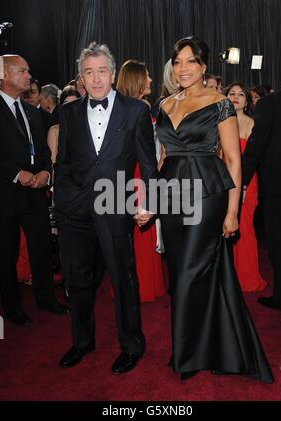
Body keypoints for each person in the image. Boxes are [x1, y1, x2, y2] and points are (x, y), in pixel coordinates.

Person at [156, 36, 274, 383]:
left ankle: (187, 353)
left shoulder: (219, 102)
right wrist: (153, 201)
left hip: (207, 194)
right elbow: (163, 157)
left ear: (204, 66)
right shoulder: (163, 104)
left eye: (190, 61)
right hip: (171, 195)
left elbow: (233, 161)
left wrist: (232, 212)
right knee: (180, 273)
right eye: (177, 62)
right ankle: (198, 344)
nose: (182, 69)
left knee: (190, 272)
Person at [54, 42, 158, 371]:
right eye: (89, 72)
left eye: (102, 71)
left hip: (115, 203)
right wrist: (64, 201)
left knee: (122, 277)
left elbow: (148, 164)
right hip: (75, 210)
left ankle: (132, 345)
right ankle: (82, 342)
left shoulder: (136, 110)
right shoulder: (68, 112)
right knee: (77, 281)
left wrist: (150, 201)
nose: (96, 78)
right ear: (81, 78)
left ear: (112, 74)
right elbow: (65, 162)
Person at [0, 54, 70, 326]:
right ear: (4, 74)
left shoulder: (32, 111)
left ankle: (45, 298)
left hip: (36, 193)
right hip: (5, 194)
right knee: (6, 252)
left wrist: (45, 172)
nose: (29, 76)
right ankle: (13, 307)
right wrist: (18, 174)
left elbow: (41, 150)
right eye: (23, 71)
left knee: (41, 248)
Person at [242, 52, 281, 313]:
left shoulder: (270, 103)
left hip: (277, 186)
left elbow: (255, 146)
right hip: (278, 186)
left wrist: (240, 180)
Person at [116, 59, 165, 302]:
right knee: (142, 234)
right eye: (146, 75)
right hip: (141, 176)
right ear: (136, 79)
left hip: (128, 176)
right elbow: (147, 151)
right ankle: (145, 288)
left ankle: (138, 287)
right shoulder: (140, 108)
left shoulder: (124, 107)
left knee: (133, 236)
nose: (151, 80)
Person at [225, 82, 266, 292]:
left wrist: (242, 187)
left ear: (246, 101)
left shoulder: (252, 123)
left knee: (245, 228)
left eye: (241, 94)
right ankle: (227, 277)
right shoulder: (220, 122)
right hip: (224, 181)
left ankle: (247, 278)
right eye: (232, 93)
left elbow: (251, 160)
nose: (236, 97)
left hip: (247, 183)